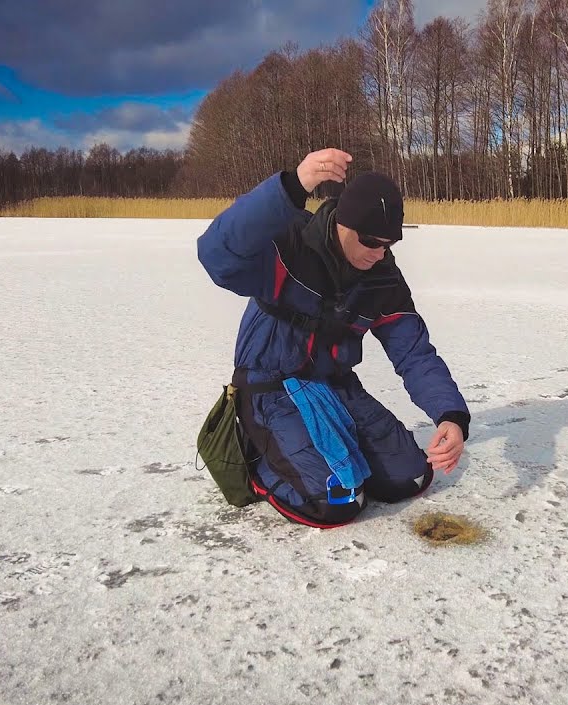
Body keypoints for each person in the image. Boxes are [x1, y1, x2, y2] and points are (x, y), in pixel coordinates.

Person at [197, 148, 470, 528]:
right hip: (270, 391)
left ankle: (337, 455)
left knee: (410, 477)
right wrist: (291, 187)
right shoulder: (288, 245)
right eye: (371, 241)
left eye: (388, 245)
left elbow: (414, 353)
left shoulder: (383, 278)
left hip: (336, 387)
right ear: (344, 222)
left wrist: (450, 416)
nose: (379, 254)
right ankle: (260, 460)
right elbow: (216, 255)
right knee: (336, 503)